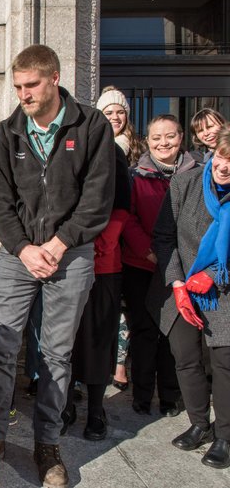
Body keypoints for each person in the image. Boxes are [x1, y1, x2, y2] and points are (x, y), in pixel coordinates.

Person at [0, 44, 115, 486]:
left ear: (54, 78)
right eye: (17, 86)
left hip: (71, 254)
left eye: (31, 85)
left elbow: (97, 201)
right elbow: (0, 205)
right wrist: (23, 249)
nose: (23, 94)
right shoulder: (6, 133)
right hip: (17, 255)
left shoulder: (92, 126)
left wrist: (58, 245)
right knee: (1, 347)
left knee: (55, 355)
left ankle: (47, 445)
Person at [151, 124, 230, 470]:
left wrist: (211, 275)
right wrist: (179, 283)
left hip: (223, 292)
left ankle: (225, 434)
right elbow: (163, 236)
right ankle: (199, 423)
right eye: (220, 159)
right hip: (182, 286)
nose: (223, 167)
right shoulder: (185, 184)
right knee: (185, 357)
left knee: (224, 364)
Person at [122, 114, 198, 417]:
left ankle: (170, 396)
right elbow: (127, 218)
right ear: (147, 141)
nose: (163, 143)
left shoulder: (197, 172)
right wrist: (149, 251)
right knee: (144, 331)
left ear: (181, 138)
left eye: (169, 136)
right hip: (142, 264)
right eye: (156, 138)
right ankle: (141, 396)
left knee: (173, 335)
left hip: (183, 269)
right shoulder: (135, 175)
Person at [61, 115, 131, 441]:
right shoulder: (66, 153)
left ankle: (95, 411)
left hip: (103, 265)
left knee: (99, 339)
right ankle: (65, 404)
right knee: (65, 338)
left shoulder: (113, 154)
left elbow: (121, 208)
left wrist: (98, 246)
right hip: (65, 263)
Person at [96, 86, 141, 390]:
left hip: (128, 240)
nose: (115, 117)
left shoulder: (138, 149)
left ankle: (121, 366)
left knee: (124, 310)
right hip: (106, 243)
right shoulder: (97, 145)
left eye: (119, 111)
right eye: (108, 112)